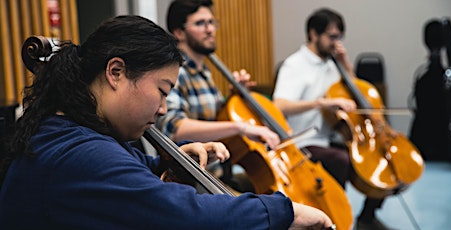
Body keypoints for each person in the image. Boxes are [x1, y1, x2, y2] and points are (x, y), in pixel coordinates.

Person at [0, 15, 334, 229]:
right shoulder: (82, 152)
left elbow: (127, 167)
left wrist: (168, 160)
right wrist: (285, 211)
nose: (163, 109)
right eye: (162, 92)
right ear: (116, 73)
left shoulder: (71, 131)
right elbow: (185, 215)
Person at [272, 8, 391, 230]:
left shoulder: (331, 63)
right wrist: (320, 103)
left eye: (339, 38)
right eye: (332, 37)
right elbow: (279, 105)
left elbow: (356, 92)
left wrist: (345, 64)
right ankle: (335, 216)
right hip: (302, 142)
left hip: (331, 136)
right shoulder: (295, 65)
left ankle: (367, 215)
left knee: (381, 158)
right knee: (340, 161)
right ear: (314, 34)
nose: (336, 43)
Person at [156, 0, 280, 187]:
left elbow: (212, 120)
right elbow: (175, 129)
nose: (210, 29)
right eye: (200, 23)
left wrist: (233, 98)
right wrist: (240, 127)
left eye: (211, 22)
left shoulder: (204, 71)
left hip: (218, 174)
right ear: (179, 32)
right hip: (195, 182)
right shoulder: (176, 72)